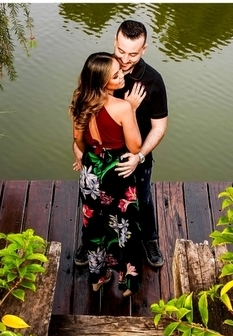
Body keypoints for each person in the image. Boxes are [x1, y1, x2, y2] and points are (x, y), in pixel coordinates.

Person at [75, 19, 168, 269]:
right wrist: (80, 152)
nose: (125, 59)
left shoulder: (153, 81)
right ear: (114, 43)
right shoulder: (102, 69)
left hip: (135, 155)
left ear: (144, 50)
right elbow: (83, 111)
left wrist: (140, 156)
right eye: (120, 51)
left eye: (133, 54)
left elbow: (159, 126)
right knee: (93, 200)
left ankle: (149, 239)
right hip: (101, 156)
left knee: (143, 198)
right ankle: (89, 241)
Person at [70, 52, 147, 297]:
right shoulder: (123, 107)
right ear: (103, 82)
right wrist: (132, 109)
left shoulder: (80, 102)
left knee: (94, 226)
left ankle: (98, 277)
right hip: (118, 173)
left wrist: (87, 158)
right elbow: (135, 147)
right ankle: (127, 281)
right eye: (115, 75)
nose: (122, 76)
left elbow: (78, 142)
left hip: (91, 173)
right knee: (125, 227)